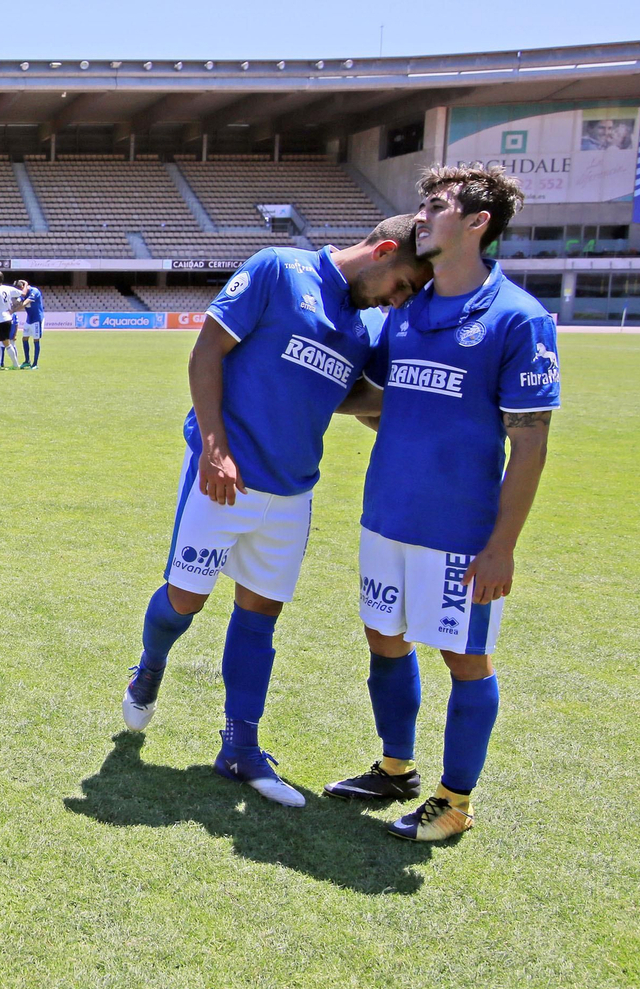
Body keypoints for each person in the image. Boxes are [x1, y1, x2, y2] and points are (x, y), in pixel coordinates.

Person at [118, 217, 431, 808]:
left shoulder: (366, 323)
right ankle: (151, 663)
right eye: (402, 286)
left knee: (260, 616)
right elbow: (208, 349)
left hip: (292, 493)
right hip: (222, 477)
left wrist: (419, 409)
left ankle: (239, 747)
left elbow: (344, 393)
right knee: (184, 602)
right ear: (384, 252)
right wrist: (214, 449)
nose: (398, 301)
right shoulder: (277, 268)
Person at [324, 166, 558, 842]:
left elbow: (531, 447)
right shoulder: (409, 308)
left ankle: (455, 801)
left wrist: (501, 546)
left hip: (460, 533)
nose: (420, 216)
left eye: (435, 206)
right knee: (384, 640)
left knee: (465, 660)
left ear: (477, 222)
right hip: (386, 517)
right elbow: (367, 393)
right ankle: (397, 769)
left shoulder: (518, 318)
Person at [15, 278, 45, 368]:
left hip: (37, 319)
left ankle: (35, 364)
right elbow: (19, 300)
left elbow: (24, 303)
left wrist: (13, 310)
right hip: (29, 319)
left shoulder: (34, 291)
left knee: (36, 340)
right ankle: (27, 360)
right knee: (24, 339)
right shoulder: (23, 293)